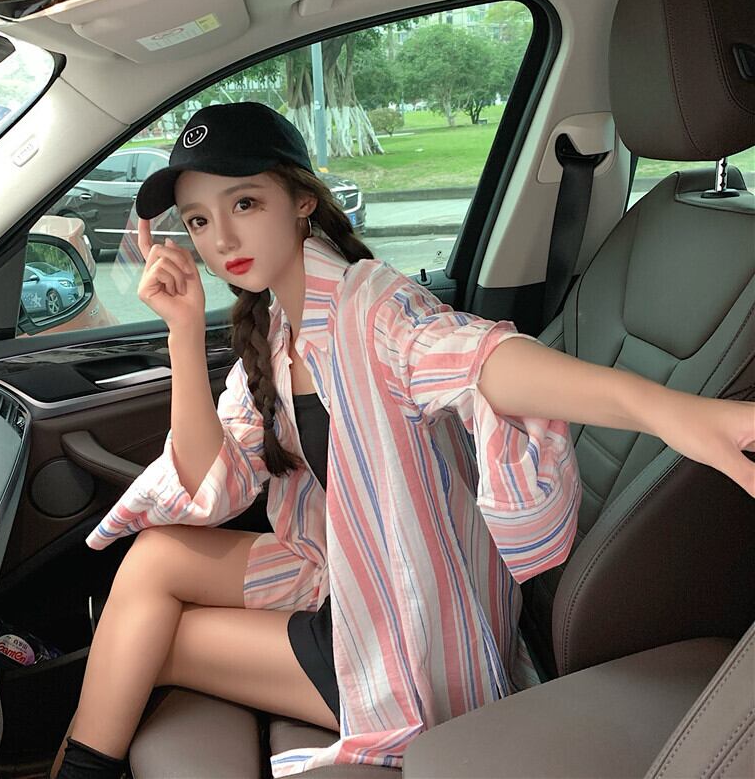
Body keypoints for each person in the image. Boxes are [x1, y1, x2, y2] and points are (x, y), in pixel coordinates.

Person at [52, 102, 755, 779]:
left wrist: (671, 412)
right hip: (347, 574)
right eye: (200, 221)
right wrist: (181, 330)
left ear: (301, 200)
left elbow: (484, 360)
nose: (223, 241)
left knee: (149, 639)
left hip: (407, 641)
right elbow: (215, 483)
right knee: (155, 557)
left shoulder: (372, 307)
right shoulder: (275, 328)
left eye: (245, 203)